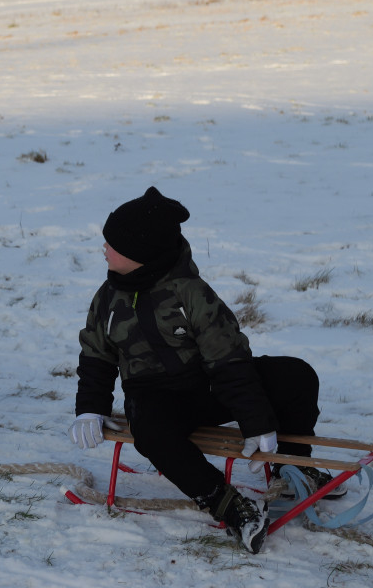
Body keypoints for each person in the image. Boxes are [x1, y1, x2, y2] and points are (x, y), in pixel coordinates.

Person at [69, 187, 342, 554]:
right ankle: (228, 505)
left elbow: (228, 359)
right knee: (152, 433)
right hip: (155, 399)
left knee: (296, 374)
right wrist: (90, 406)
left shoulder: (191, 293)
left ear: (140, 252)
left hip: (207, 388)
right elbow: (96, 356)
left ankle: (293, 468)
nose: (103, 248)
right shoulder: (107, 298)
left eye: (112, 243)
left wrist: (255, 419)